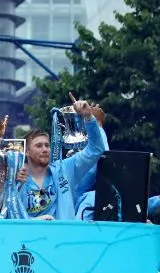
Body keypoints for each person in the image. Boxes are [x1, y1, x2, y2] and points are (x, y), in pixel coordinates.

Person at [17, 93, 104, 221]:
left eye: (47, 145)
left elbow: (96, 149)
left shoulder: (64, 169)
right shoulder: (18, 178)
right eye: (39, 146)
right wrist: (34, 221)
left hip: (63, 238)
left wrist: (88, 117)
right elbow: (8, 217)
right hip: (29, 239)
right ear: (27, 152)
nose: (45, 149)